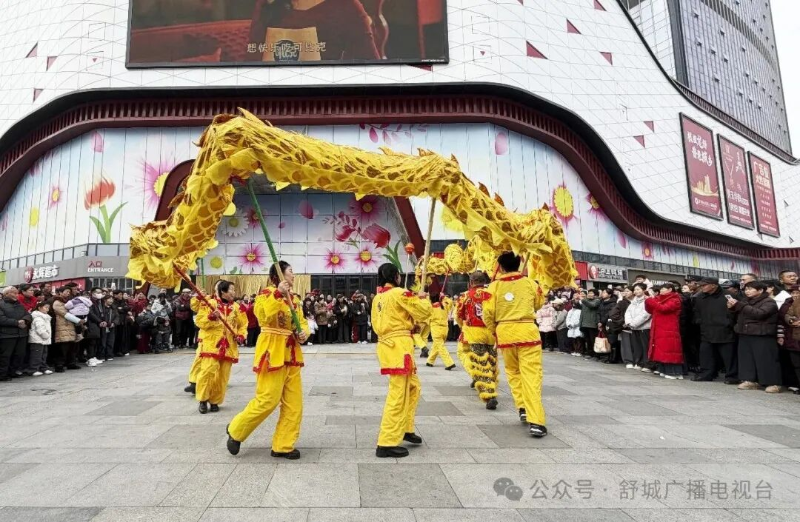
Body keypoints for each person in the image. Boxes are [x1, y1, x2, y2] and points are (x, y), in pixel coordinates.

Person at [227, 261, 310, 459]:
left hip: (291, 353)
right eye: (291, 271)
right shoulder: (266, 294)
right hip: (272, 351)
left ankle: (283, 445)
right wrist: (278, 294)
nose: (294, 275)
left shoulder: (295, 299)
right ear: (279, 276)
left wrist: (303, 333)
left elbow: (302, 322)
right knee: (268, 399)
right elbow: (262, 315)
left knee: (294, 404)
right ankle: (236, 429)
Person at [483, 252, 548, 438]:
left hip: (505, 333)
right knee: (531, 376)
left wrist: (495, 330)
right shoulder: (531, 283)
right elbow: (538, 303)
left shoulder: (493, 286)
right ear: (519, 264)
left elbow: (487, 313)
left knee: (513, 372)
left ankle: (522, 407)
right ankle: (536, 421)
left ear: (501, 267)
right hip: (527, 331)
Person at [371, 262, 432, 458]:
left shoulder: (378, 297)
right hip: (398, 347)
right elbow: (424, 312)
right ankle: (386, 442)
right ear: (396, 276)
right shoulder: (399, 293)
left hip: (390, 345)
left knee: (413, 387)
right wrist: (422, 298)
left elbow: (383, 323)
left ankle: (405, 427)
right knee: (397, 393)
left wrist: (410, 325)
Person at [195, 280, 248, 414]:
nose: (234, 292)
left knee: (223, 376)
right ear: (223, 292)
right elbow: (200, 322)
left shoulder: (237, 307)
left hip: (229, 346)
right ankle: (203, 399)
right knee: (207, 372)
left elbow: (243, 324)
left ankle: (215, 401)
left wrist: (241, 335)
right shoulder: (209, 304)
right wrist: (211, 317)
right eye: (231, 290)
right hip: (212, 344)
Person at [729, 281, 781, 393]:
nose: (747, 291)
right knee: (746, 359)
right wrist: (732, 308)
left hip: (762, 334)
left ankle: (773, 382)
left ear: (760, 290)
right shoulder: (745, 301)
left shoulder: (769, 302)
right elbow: (740, 314)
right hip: (745, 333)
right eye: (746, 289)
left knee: (766, 359)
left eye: (750, 289)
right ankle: (750, 380)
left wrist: (741, 306)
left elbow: (760, 314)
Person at [459, 271, 498, 409]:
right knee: (492, 361)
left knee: (480, 363)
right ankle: (492, 386)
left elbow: (459, 315)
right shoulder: (492, 294)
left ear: (471, 282)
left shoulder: (465, 295)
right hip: (491, 332)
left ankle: (488, 394)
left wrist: (463, 327)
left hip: (475, 332)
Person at [645, 282, 684, 379]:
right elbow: (650, 310)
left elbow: (664, 308)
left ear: (670, 289)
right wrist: (648, 301)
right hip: (659, 328)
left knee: (670, 350)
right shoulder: (659, 299)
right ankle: (663, 370)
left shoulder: (675, 299)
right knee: (661, 350)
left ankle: (674, 372)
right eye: (661, 289)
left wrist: (651, 300)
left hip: (669, 328)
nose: (661, 290)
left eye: (663, 289)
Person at [0, 287, 32, 380]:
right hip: (7, 335)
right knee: (5, 356)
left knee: (19, 354)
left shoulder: (20, 305)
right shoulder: (1, 304)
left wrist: (25, 320)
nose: (16, 295)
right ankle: (2, 374)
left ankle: (13, 372)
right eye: (13, 293)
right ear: (6, 294)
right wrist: (17, 322)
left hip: (21, 334)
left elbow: (28, 315)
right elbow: (1, 319)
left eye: (17, 293)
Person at [51, 286, 82, 372]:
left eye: (69, 292)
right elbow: (64, 313)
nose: (68, 293)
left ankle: (71, 363)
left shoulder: (69, 302)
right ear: (60, 292)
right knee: (62, 346)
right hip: (61, 326)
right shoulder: (57, 302)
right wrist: (78, 320)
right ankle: (59, 365)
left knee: (71, 345)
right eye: (66, 291)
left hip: (70, 325)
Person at [778, 285, 800, 394]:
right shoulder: (788, 303)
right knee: (796, 364)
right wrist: (791, 321)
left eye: (797, 292)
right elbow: (785, 317)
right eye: (793, 293)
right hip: (792, 337)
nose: (795, 295)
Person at [425, 293, 456, 370]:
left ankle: (449, 363)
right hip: (445, 328)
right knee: (437, 345)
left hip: (436, 328)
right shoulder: (445, 304)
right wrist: (444, 296)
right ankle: (430, 361)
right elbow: (450, 302)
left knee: (440, 347)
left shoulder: (430, 306)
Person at [26, 301, 53, 376]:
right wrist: (46, 336)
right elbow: (40, 330)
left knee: (43, 355)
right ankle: (33, 369)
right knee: (36, 355)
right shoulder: (38, 318)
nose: (47, 309)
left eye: (48, 308)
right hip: (37, 340)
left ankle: (43, 367)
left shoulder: (45, 317)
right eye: (46, 307)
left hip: (44, 340)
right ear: (39, 308)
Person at [611, 286, 632, 366]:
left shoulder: (635, 302)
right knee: (626, 345)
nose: (626, 293)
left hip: (637, 326)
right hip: (625, 327)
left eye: (628, 291)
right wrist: (622, 322)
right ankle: (628, 361)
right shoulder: (622, 302)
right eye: (625, 291)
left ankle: (637, 361)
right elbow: (613, 314)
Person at [579, 289, 601, 358]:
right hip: (584, 324)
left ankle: (596, 354)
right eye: (589, 293)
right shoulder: (585, 301)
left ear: (595, 295)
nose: (589, 294)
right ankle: (590, 353)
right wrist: (580, 323)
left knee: (593, 340)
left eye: (591, 293)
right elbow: (582, 313)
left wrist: (583, 300)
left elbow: (592, 305)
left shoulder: (597, 301)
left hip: (592, 324)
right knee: (587, 340)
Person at [598, 288, 617, 363]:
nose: (603, 294)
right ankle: (606, 356)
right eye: (602, 292)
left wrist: (602, 322)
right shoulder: (601, 302)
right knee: (605, 340)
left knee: (611, 341)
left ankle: (612, 358)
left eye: (605, 292)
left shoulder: (613, 303)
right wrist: (599, 322)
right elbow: (598, 313)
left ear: (609, 295)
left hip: (609, 324)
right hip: (601, 323)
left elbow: (609, 314)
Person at [98, 295, 119, 362]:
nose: (111, 300)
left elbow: (117, 317)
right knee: (103, 342)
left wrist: (114, 323)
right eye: (109, 299)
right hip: (103, 327)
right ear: (105, 300)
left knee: (110, 341)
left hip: (111, 327)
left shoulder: (113, 308)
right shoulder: (101, 308)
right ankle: (101, 355)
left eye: (112, 299)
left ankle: (109, 355)